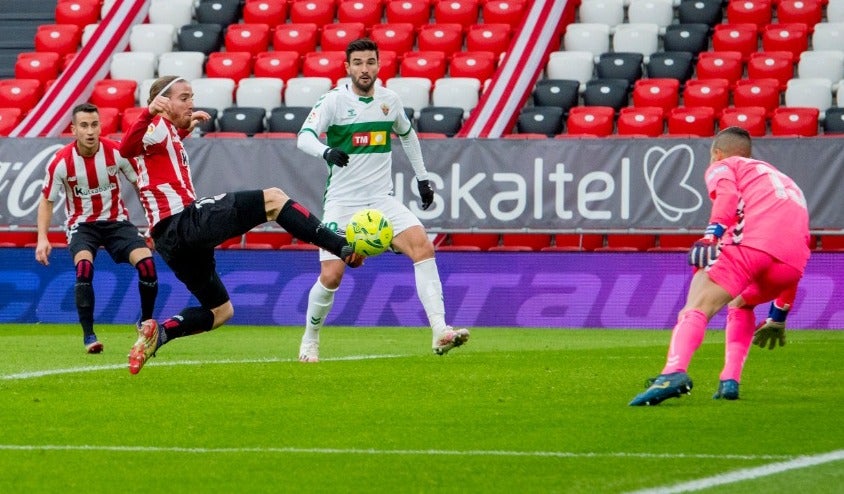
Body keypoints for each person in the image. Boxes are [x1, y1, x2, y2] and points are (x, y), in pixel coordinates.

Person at [119, 75, 362, 375]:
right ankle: (341, 246)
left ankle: (160, 333)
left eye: (192, 96)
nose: (191, 103)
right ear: (162, 101)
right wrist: (148, 112)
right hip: (184, 221)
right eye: (184, 97)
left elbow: (149, 153)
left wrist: (182, 129)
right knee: (273, 199)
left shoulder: (163, 133)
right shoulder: (154, 126)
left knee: (220, 311)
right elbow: (125, 149)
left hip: (170, 241)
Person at [295, 38, 470, 362]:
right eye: (358, 63)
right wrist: (327, 151)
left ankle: (440, 330)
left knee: (423, 247)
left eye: (370, 62)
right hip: (342, 202)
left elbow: (407, 133)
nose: (365, 69)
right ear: (347, 68)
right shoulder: (333, 101)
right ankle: (310, 339)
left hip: (381, 200)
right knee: (332, 275)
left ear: (379, 65)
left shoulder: (390, 100)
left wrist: (422, 177)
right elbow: (303, 137)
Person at [629, 127, 810, 406]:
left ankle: (672, 372)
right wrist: (778, 315)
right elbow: (795, 242)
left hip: (750, 245)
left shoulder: (726, 165)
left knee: (696, 307)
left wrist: (710, 236)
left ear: (716, 153)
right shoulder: (787, 184)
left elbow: (725, 195)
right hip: (790, 266)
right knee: (740, 303)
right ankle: (729, 381)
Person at [35, 103, 158, 354]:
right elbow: (46, 201)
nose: (90, 131)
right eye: (84, 125)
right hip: (82, 226)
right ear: (73, 130)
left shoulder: (116, 152)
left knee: (147, 266)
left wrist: (153, 223)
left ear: (100, 126)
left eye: (94, 125)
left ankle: (145, 326)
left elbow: (140, 187)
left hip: (117, 223)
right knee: (84, 268)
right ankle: (89, 335)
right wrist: (42, 238)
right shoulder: (61, 162)